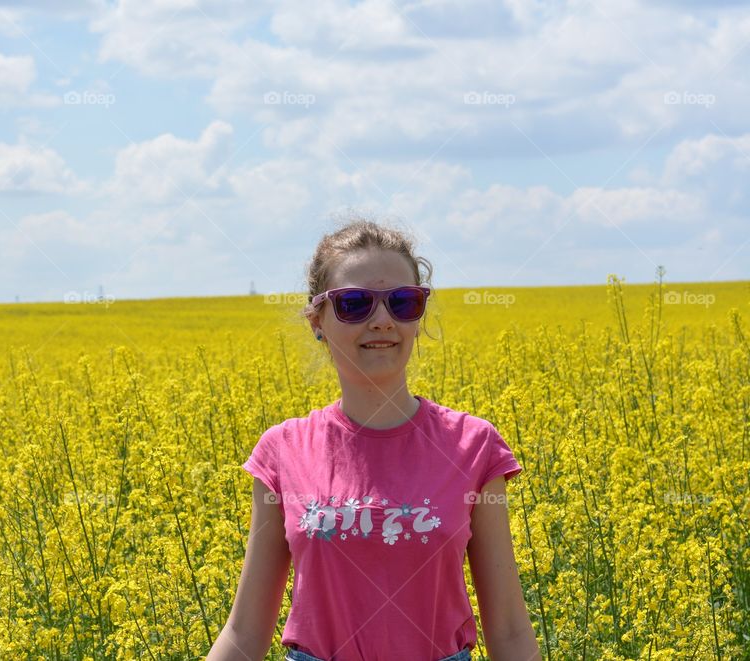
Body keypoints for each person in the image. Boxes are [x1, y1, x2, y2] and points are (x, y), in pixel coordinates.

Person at [207, 218, 541, 661]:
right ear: (316, 320)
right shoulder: (283, 451)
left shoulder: (472, 446)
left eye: (403, 302)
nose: (382, 320)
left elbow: (510, 631)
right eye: (354, 303)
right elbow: (245, 633)